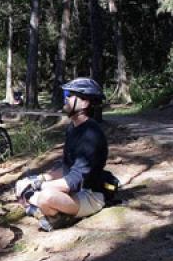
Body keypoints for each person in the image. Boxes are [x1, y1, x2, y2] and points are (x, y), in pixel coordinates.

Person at [15, 78, 109, 231]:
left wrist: (38, 186)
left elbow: (74, 180)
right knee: (23, 186)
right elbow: (66, 168)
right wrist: (38, 179)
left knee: (45, 196)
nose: (65, 98)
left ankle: (51, 215)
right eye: (66, 93)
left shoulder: (91, 135)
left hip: (91, 194)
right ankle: (50, 214)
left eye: (69, 95)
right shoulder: (73, 128)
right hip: (75, 190)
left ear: (84, 103)